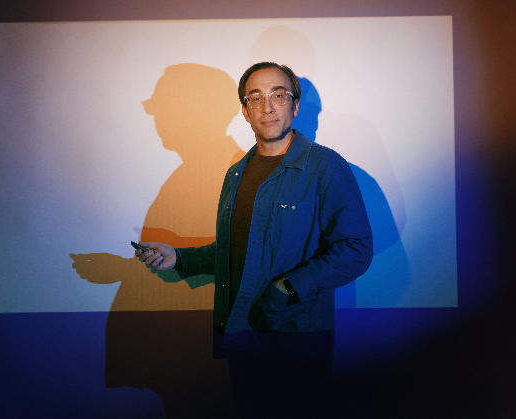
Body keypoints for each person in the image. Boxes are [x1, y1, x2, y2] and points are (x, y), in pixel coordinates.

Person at [135, 62, 373, 417]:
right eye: (256, 98)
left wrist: (287, 288)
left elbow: (356, 249)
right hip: (242, 335)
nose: (268, 107)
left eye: (279, 95)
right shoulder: (237, 173)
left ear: (295, 105)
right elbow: (238, 250)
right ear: (245, 112)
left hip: (296, 340)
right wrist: (180, 258)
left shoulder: (325, 166)